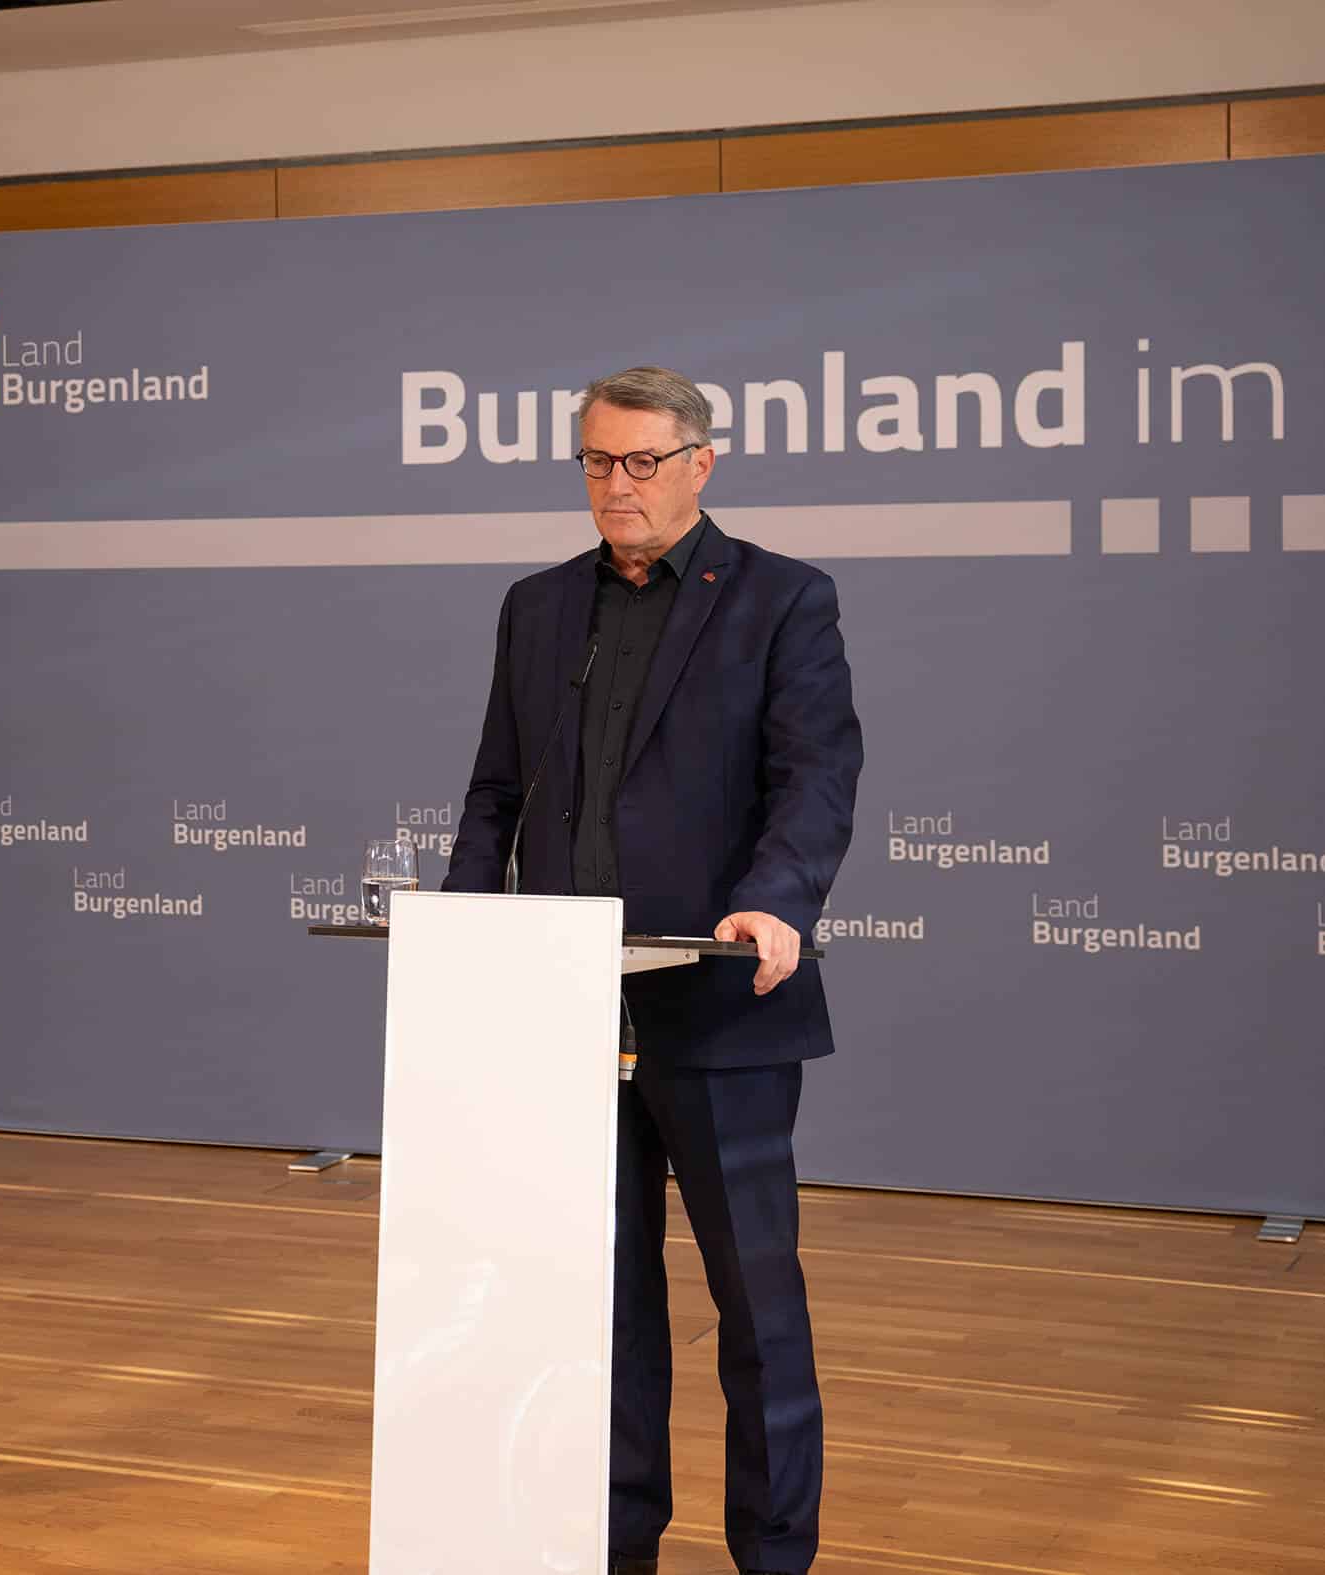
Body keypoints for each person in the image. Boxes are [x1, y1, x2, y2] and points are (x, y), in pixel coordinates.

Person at [443, 366, 862, 1574]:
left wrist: (773, 905)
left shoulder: (782, 599)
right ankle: (615, 1538)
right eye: (593, 462)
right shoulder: (536, 607)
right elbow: (493, 794)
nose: (613, 486)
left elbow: (815, 776)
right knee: (600, 1298)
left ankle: (772, 1551)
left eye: (638, 464)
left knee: (755, 1306)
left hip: (721, 998)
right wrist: (468, 938)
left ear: (700, 464)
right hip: (564, 1003)